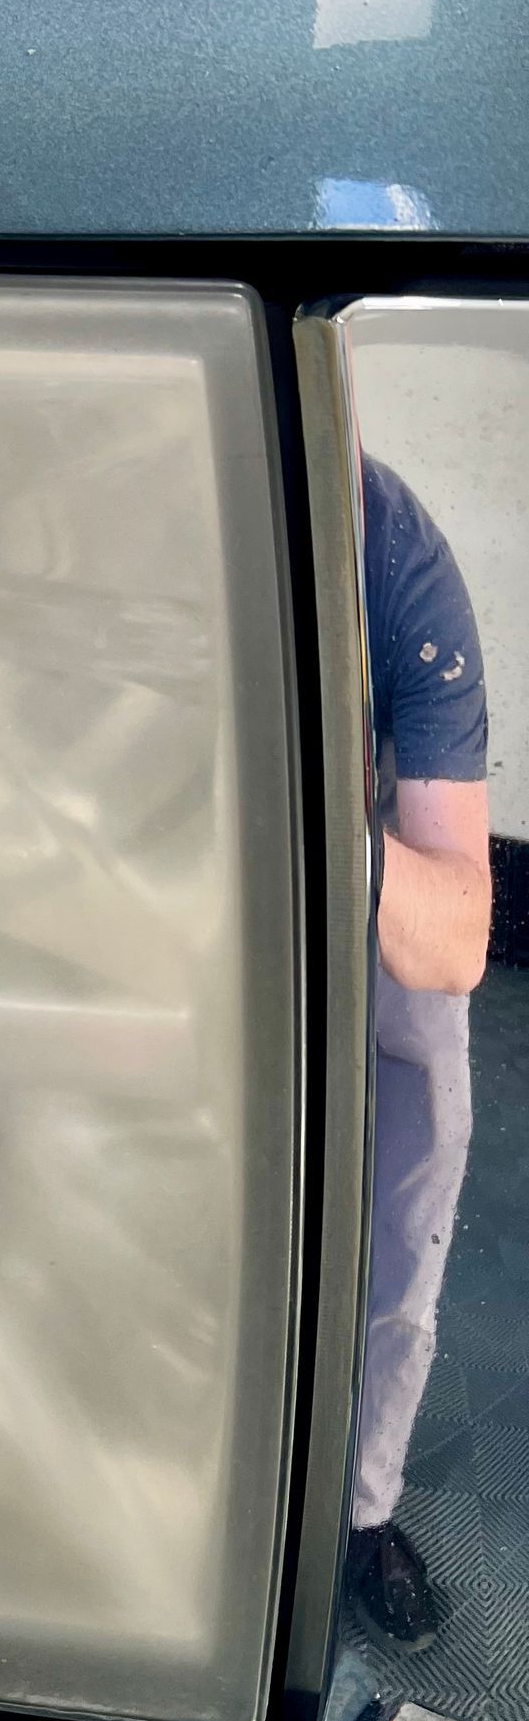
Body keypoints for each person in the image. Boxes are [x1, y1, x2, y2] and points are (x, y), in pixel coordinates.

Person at [347, 455, 491, 1649]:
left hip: (366, 886)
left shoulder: (390, 549)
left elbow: (452, 939)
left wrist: (314, 812)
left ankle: (359, 1511)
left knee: (413, 1176)